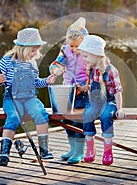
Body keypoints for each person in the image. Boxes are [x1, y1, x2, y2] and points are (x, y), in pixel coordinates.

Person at [0, 28, 57, 166]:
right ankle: (4, 152)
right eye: (33, 50)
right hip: (12, 99)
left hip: (30, 98)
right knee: (14, 117)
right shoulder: (7, 60)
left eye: (36, 50)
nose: (35, 54)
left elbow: (35, 82)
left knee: (41, 114)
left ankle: (44, 150)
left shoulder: (32, 63)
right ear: (23, 48)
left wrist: (46, 81)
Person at [77, 35, 125, 166]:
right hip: (95, 102)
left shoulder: (110, 70)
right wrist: (80, 88)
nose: (84, 60)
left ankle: (108, 151)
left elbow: (117, 91)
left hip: (109, 101)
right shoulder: (92, 70)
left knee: (105, 116)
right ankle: (90, 149)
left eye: (86, 56)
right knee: (87, 114)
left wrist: (119, 109)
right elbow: (91, 88)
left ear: (96, 54)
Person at [49, 17, 89, 164]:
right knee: (66, 119)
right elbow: (56, 63)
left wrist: (84, 85)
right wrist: (56, 69)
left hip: (84, 92)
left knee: (79, 120)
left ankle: (79, 152)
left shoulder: (88, 52)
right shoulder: (64, 50)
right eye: (70, 46)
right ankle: (72, 148)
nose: (73, 49)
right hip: (68, 90)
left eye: (76, 47)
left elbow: (93, 72)